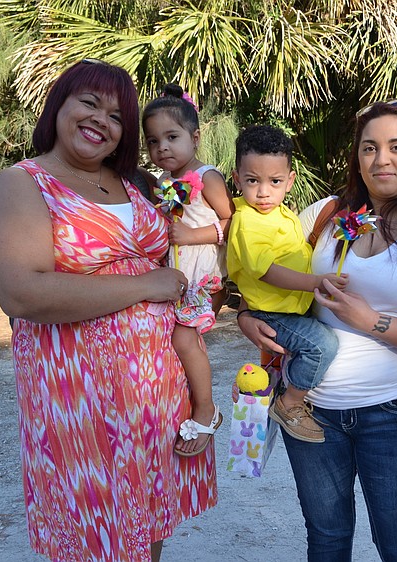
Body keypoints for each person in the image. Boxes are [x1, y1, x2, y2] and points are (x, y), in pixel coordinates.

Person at [0, 60, 216, 562]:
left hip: (155, 390)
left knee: (149, 522)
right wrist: (145, 285)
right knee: (96, 532)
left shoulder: (133, 184)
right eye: (89, 102)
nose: (101, 120)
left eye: (116, 115)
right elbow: (23, 294)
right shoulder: (22, 183)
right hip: (80, 396)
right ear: (59, 106)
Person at [238, 100, 397, 561]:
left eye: (396, 147)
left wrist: (372, 322)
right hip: (309, 412)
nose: (381, 159)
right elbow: (263, 275)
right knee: (326, 540)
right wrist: (248, 317)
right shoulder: (325, 217)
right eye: (369, 147)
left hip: (393, 417)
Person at [228, 125, 347, 443]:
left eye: (274, 181)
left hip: (290, 310)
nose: (263, 192)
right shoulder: (247, 221)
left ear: (289, 181)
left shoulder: (284, 215)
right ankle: (291, 402)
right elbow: (266, 270)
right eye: (252, 181)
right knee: (323, 346)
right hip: (272, 313)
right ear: (237, 179)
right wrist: (315, 282)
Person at [142, 83, 235, 456]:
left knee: (184, 339)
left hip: (203, 276)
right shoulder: (164, 182)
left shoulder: (207, 176)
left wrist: (192, 234)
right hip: (177, 275)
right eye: (152, 141)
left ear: (195, 138)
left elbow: (233, 223)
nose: (162, 147)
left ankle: (206, 410)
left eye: (171, 137)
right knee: (171, 341)